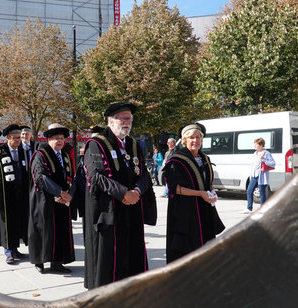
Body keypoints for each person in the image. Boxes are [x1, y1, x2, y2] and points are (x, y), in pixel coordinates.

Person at [83, 102, 154, 289]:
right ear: (111, 121)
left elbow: (144, 174)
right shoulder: (96, 144)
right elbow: (96, 176)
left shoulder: (133, 144)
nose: (126, 122)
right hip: (110, 210)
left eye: (129, 118)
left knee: (132, 251)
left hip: (132, 208)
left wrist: (137, 192)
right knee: (110, 256)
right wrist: (124, 194)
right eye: (122, 118)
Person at [162, 122, 225, 263]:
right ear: (184, 140)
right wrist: (200, 194)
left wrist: (212, 192)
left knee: (205, 247)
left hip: (204, 209)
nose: (195, 141)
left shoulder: (204, 159)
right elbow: (175, 188)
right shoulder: (176, 160)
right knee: (187, 249)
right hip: (185, 211)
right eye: (191, 138)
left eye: (198, 137)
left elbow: (208, 183)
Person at [28, 124, 75, 274]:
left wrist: (69, 194)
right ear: (48, 139)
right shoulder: (40, 155)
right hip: (43, 199)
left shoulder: (66, 156)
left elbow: (72, 177)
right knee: (43, 230)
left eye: (61, 138)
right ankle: (39, 261)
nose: (59, 141)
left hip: (62, 200)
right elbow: (41, 177)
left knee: (60, 231)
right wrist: (60, 192)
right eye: (56, 138)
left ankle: (57, 262)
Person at [0, 124, 28, 264]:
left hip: (20, 194)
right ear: (8, 138)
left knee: (17, 222)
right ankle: (8, 252)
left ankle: (15, 248)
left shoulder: (23, 151)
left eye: (20, 138)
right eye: (15, 138)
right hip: (5, 194)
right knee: (7, 224)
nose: (18, 140)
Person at [243, 137, 276, 213]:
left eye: (256, 145)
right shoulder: (255, 153)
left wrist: (264, 160)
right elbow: (253, 165)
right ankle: (249, 208)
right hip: (254, 175)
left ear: (261, 145)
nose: (255, 147)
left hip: (262, 176)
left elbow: (273, 164)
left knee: (262, 192)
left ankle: (262, 209)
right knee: (249, 191)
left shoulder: (266, 153)